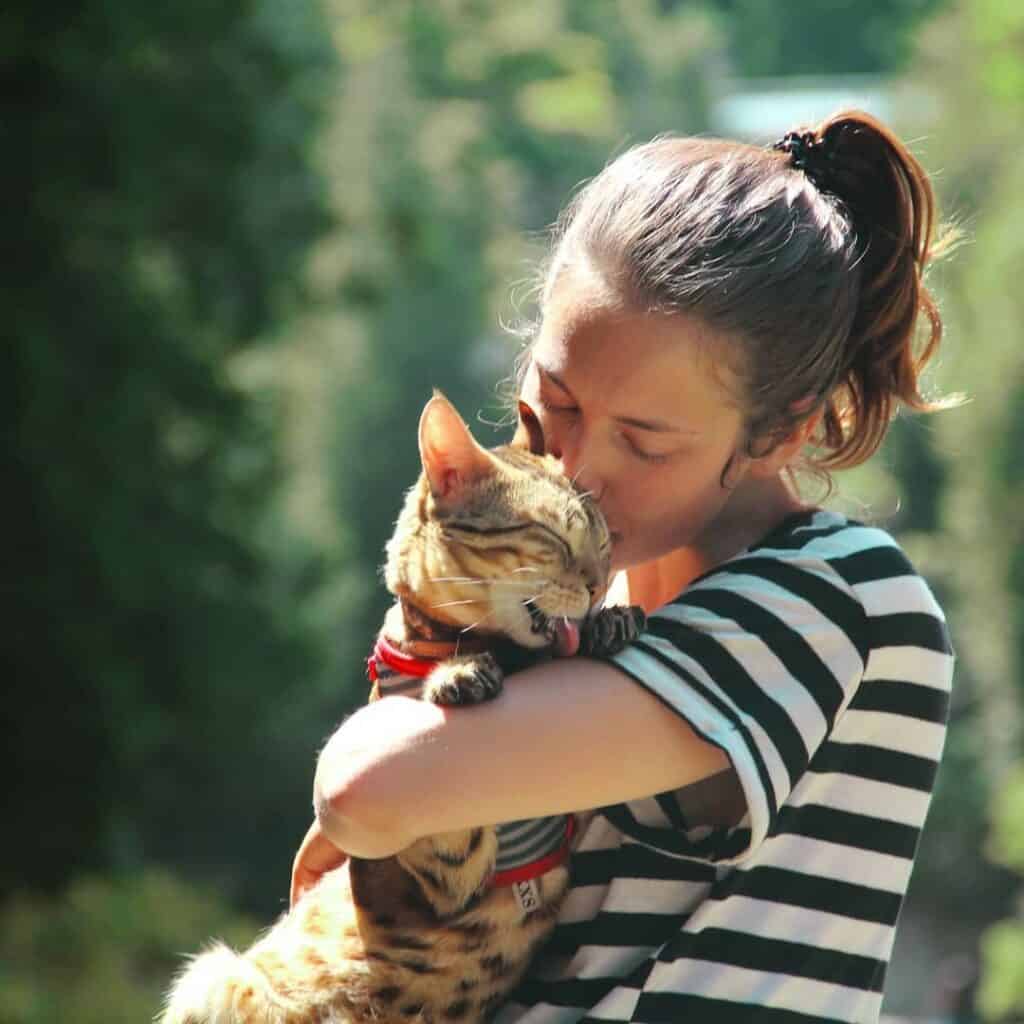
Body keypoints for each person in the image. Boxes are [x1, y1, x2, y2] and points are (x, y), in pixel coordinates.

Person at [292, 109, 955, 1023]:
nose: (577, 470)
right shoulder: (572, 609)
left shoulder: (837, 597)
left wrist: (389, 777)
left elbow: (368, 788)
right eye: (552, 402)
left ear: (783, 430)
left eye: (644, 444)